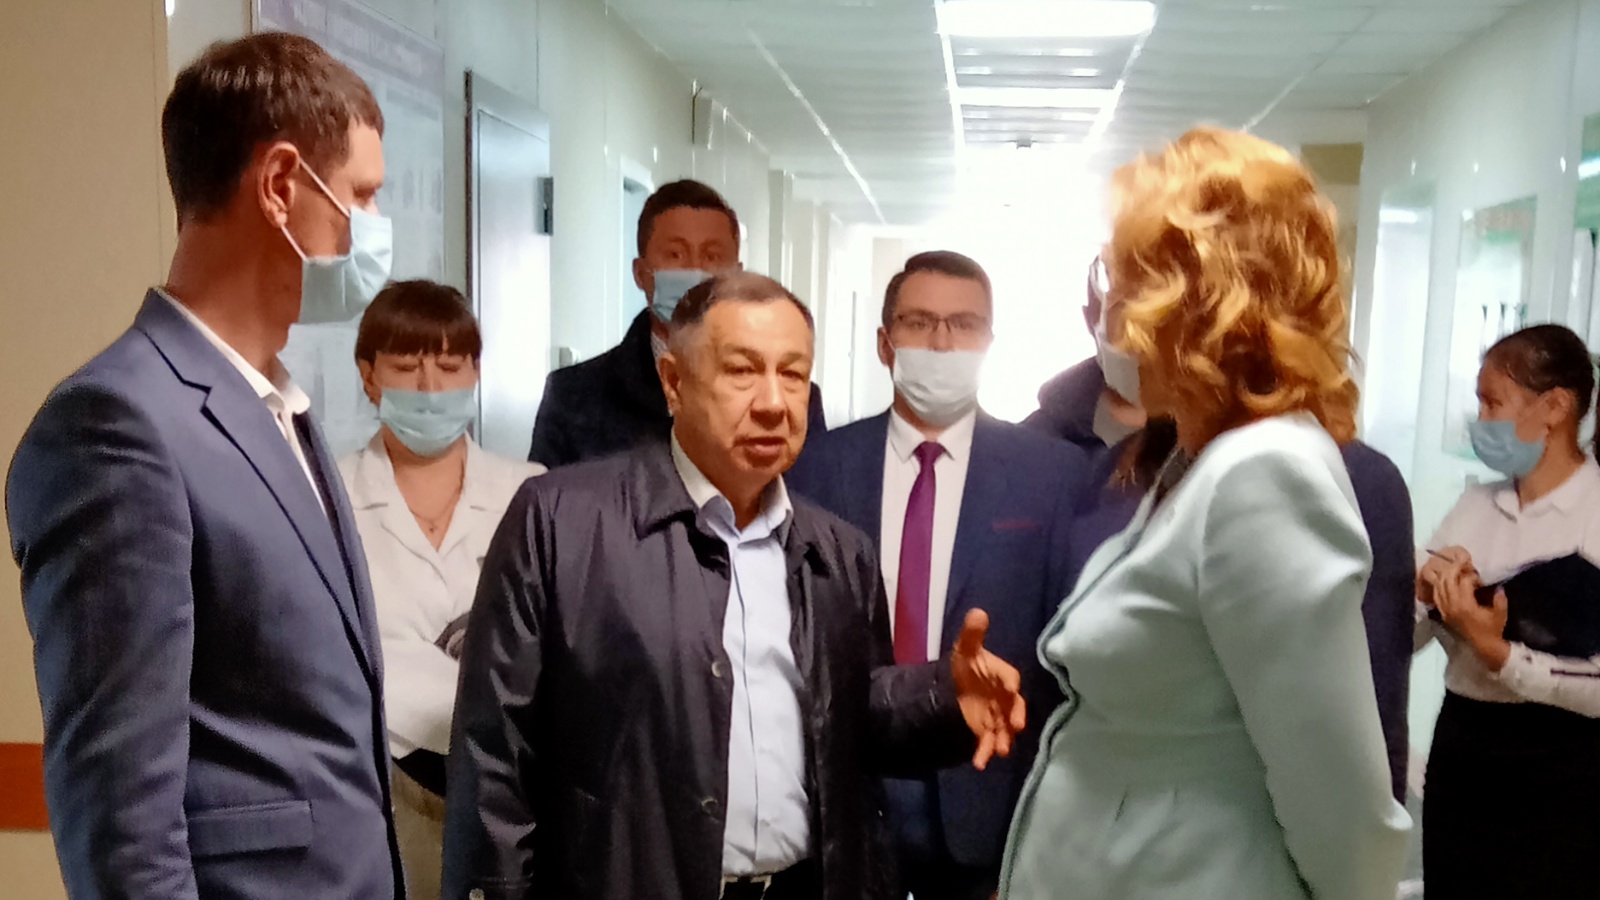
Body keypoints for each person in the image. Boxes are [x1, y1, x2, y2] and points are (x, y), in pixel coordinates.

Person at [443, 272, 1028, 900]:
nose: (774, 402)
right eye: (743, 371)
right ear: (674, 382)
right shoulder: (561, 521)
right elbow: (494, 756)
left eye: (793, 374)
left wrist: (943, 698)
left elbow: (849, 714)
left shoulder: (838, 551)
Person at [6, 33, 404, 899]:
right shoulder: (118, 426)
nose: (375, 228)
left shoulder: (280, 409)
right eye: (361, 196)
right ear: (281, 184)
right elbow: (122, 826)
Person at [999, 127, 1411, 900]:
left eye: (1126, 279)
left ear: (1195, 302)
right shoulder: (1194, 460)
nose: (1111, 311)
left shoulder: (1265, 475)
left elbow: (1342, 807)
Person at [1030, 255, 1418, 802]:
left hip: (1245, 828)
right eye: (1119, 304)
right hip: (1107, 821)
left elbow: (1365, 735)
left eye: (1147, 304)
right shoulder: (1121, 470)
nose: (1127, 331)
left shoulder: (1354, 480)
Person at [786, 250, 1089, 900]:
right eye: (920, 323)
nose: (943, 343)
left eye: (964, 325)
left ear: (988, 342)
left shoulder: (1053, 476)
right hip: (849, 794)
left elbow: (1067, 659)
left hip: (989, 799)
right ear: (885, 342)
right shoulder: (814, 469)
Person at [338, 280, 545, 900]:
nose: (430, 388)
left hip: (508, 785)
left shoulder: (531, 493)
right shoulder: (327, 495)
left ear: (476, 373)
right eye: (406, 367)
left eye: (450, 367)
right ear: (369, 377)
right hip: (376, 781)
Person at [1416, 323, 1600, 898]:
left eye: (1493, 402)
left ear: (1555, 408)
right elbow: (1403, 637)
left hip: (1562, 769)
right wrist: (1426, 590)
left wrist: (1498, 651)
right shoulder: (1475, 505)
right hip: (1463, 752)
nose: (1480, 419)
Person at [527, 179, 825, 467]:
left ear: (736, 274)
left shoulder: (790, 401)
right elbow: (552, 498)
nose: (695, 271)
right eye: (675, 254)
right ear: (641, 273)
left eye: (712, 256)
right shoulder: (574, 394)